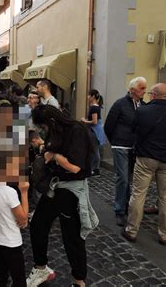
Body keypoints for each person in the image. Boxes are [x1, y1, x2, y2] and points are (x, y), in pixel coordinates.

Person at [27, 105, 98, 287]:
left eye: (43, 127)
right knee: (37, 224)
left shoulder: (76, 131)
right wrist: (43, 148)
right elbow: (53, 149)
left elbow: (76, 167)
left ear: (51, 121)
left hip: (72, 190)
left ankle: (79, 281)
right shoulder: (56, 131)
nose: (43, 131)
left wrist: (54, 156)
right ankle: (41, 268)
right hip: (56, 185)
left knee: (72, 237)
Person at [122, 83, 166, 245]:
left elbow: (134, 129)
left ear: (153, 95)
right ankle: (165, 234)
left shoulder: (142, 111)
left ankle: (132, 230)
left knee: (139, 194)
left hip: (146, 157)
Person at [0, 100, 29, 287]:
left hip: (10, 176)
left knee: (9, 204)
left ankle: (7, 226)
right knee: (6, 207)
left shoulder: (18, 128)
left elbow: (22, 153)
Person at [104, 76, 147, 226]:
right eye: (142, 88)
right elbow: (108, 126)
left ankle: (129, 206)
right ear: (132, 90)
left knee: (130, 179)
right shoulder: (120, 104)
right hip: (120, 146)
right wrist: (116, 142)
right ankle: (119, 210)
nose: (144, 91)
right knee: (122, 178)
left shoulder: (143, 105)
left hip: (135, 148)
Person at [81, 89, 106, 177]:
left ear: (93, 97)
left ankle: (96, 169)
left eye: (89, 95)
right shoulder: (95, 107)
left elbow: (94, 121)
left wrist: (84, 121)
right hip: (94, 131)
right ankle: (91, 169)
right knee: (93, 150)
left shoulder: (94, 107)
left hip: (94, 131)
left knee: (95, 150)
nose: (87, 97)